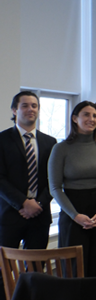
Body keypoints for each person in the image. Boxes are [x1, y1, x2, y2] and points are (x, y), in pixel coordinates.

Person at [48, 101, 96, 276]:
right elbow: (55, 187)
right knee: (74, 269)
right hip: (74, 212)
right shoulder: (61, 148)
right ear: (74, 118)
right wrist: (75, 216)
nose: (92, 119)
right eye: (86, 115)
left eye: (95, 115)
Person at [0, 91, 57, 249]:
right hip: (10, 215)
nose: (30, 109)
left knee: (36, 270)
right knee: (4, 269)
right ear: (14, 110)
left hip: (40, 215)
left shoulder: (50, 142)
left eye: (34, 106)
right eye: (24, 105)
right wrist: (23, 203)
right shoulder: (2, 140)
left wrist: (38, 204)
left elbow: (54, 179)